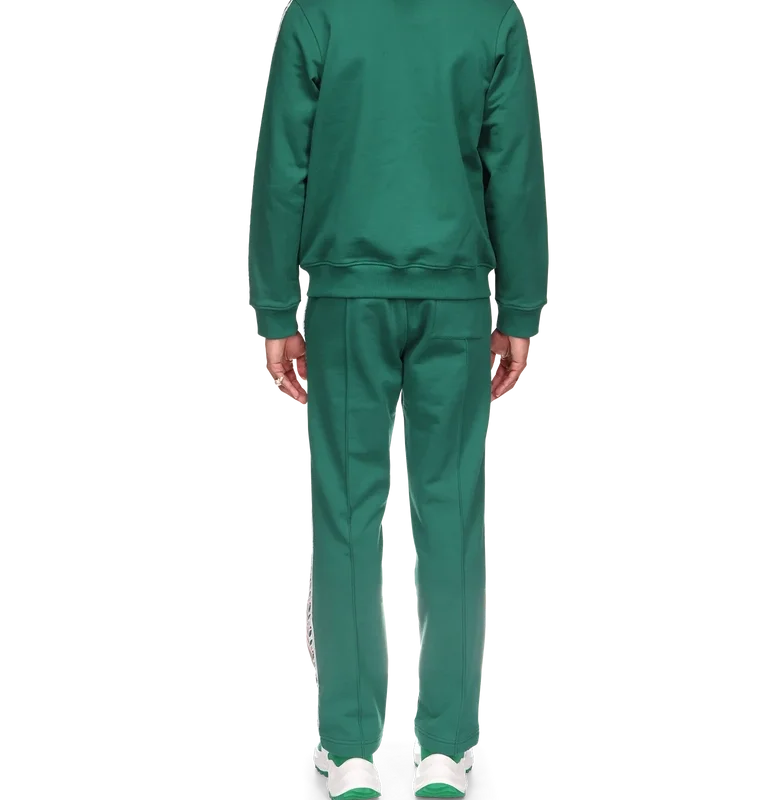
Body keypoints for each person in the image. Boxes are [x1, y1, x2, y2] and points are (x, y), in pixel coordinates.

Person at [248, 0, 548, 796]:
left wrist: (275, 309)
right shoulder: (490, 17)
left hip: (347, 297)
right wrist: (520, 310)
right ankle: (444, 746)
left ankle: (350, 749)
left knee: (346, 510)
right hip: (455, 297)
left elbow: (283, 164)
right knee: (452, 509)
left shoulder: (319, 14)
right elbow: (515, 168)